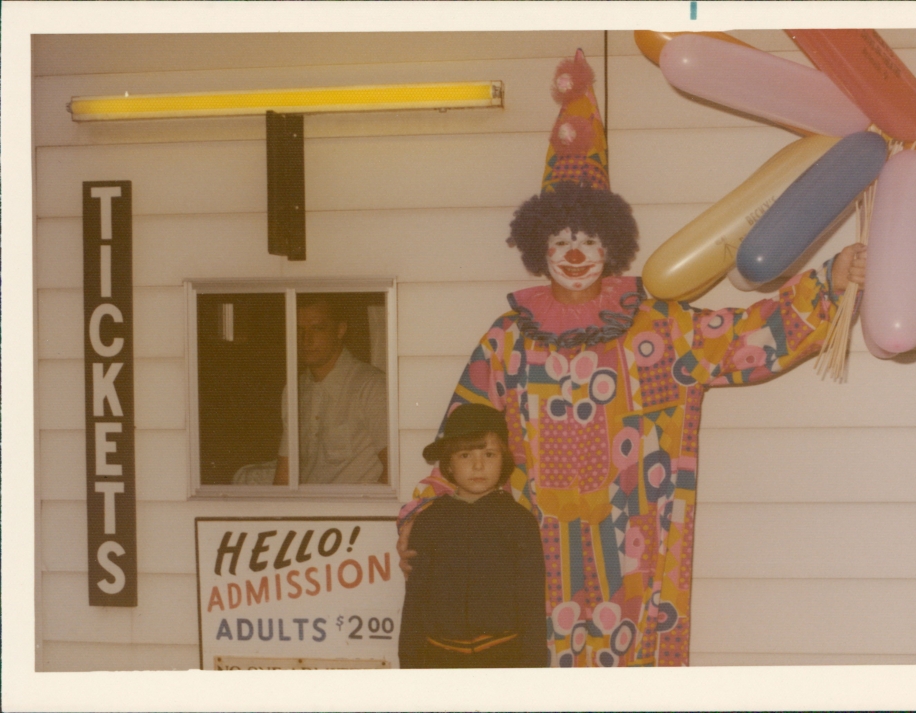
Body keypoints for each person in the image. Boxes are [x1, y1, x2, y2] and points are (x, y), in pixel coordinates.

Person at [398, 50, 867, 667]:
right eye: (560, 239)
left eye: (588, 238)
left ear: (611, 245)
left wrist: (828, 282)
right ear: (539, 247)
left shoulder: (655, 328)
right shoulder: (508, 340)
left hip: (630, 561)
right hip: (527, 558)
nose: (574, 253)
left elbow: (744, 337)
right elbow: (464, 432)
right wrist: (423, 512)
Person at [398, 403, 547, 668]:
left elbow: (532, 603)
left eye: (489, 454)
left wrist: (533, 670)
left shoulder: (519, 522)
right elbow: (415, 601)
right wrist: (410, 664)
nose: (478, 465)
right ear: (449, 464)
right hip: (439, 659)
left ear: (504, 460)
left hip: (504, 657)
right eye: (465, 455)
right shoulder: (429, 522)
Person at [273, 295, 388, 485]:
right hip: (306, 501)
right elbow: (284, 476)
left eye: (317, 328)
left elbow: (395, 470)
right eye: (299, 329)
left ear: (340, 330)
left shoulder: (371, 386)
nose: (306, 339)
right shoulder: (294, 390)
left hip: (353, 502)